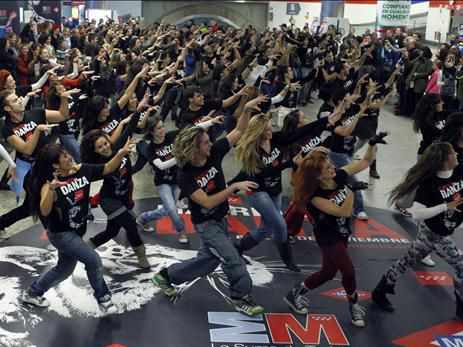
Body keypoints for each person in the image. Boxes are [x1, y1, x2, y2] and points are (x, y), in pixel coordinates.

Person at [151, 96, 267, 317]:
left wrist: (247, 110)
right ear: (195, 149)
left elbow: (238, 132)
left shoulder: (213, 152)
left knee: (207, 262)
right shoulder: (185, 175)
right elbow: (206, 201)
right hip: (206, 224)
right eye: (205, 142)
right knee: (232, 258)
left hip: (221, 218)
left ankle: (166, 277)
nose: (210, 143)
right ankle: (240, 296)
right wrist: (233, 187)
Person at [284, 134, 387, 327]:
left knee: (328, 272)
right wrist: (350, 190)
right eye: (328, 168)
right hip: (328, 237)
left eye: (331, 165)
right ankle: (354, 304)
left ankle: (295, 293)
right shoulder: (315, 197)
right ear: (318, 175)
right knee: (347, 271)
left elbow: (364, 162)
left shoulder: (337, 175)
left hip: (342, 232)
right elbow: (345, 211)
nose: (333, 169)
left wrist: (372, 144)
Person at [20, 140, 133, 313]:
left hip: (77, 230)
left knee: (64, 269)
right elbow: (44, 210)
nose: (69, 157)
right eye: (64, 156)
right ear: (55, 165)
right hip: (61, 234)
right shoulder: (50, 183)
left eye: (67, 153)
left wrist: (121, 153)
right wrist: (51, 190)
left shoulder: (83, 171)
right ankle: (103, 298)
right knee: (93, 260)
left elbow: (108, 168)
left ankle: (32, 293)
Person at [372, 142, 463, 320]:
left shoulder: (459, 170)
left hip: (442, 229)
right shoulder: (429, 185)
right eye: (453, 153)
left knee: (406, 261)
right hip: (435, 234)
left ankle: (380, 290)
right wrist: (446, 206)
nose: (457, 155)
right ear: (445, 160)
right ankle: (461, 306)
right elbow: (417, 213)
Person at [133, 114, 224, 244]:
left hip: (177, 180)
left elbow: (191, 130)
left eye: (163, 126)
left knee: (166, 210)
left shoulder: (171, 136)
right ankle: (181, 231)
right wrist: (181, 156)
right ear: (152, 131)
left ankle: (143, 218)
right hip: (163, 182)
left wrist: (211, 122)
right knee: (171, 208)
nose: (163, 130)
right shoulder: (150, 149)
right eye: (159, 128)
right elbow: (161, 165)